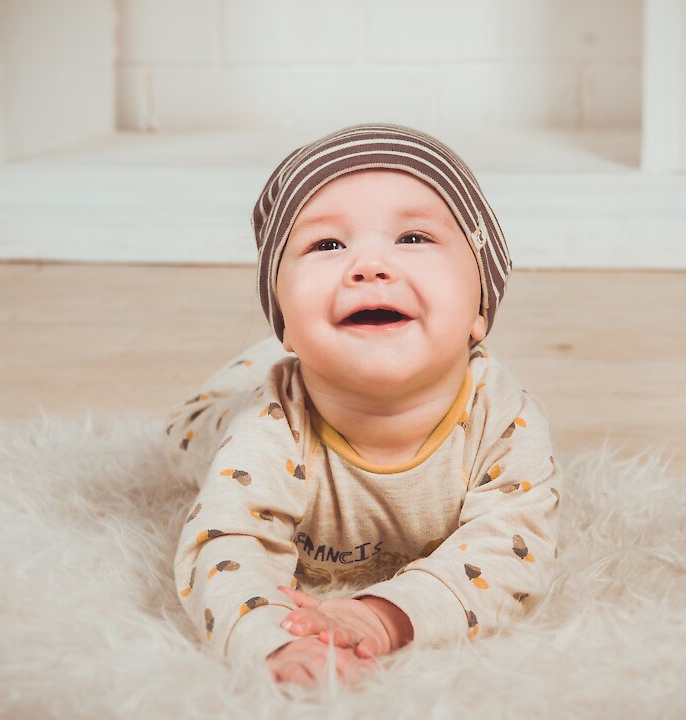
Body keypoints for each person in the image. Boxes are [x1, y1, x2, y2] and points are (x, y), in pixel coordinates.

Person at [166, 123, 561, 687]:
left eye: (414, 238)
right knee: (203, 428)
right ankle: (258, 362)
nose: (370, 266)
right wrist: (270, 641)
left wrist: (385, 613)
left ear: (481, 307)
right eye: (327, 245)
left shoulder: (507, 419)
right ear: (285, 322)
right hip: (221, 417)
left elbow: (510, 552)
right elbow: (228, 545)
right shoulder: (268, 425)